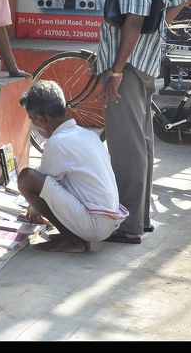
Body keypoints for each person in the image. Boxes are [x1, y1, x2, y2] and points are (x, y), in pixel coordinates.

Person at [90, 0, 186, 243]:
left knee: (125, 146)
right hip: (144, 63)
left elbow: (132, 20)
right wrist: (154, 36)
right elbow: (176, 1)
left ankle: (128, 226)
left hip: (127, 67)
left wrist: (116, 69)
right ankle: (138, 220)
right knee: (142, 143)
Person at [17, 80, 128, 253]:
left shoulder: (58, 143)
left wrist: (33, 208)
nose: (35, 126)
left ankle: (71, 240)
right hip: (107, 221)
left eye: (33, 120)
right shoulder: (87, 134)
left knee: (27, 178)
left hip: (94, 225)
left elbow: (42, 188)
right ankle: (72, 235)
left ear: (42, 119)